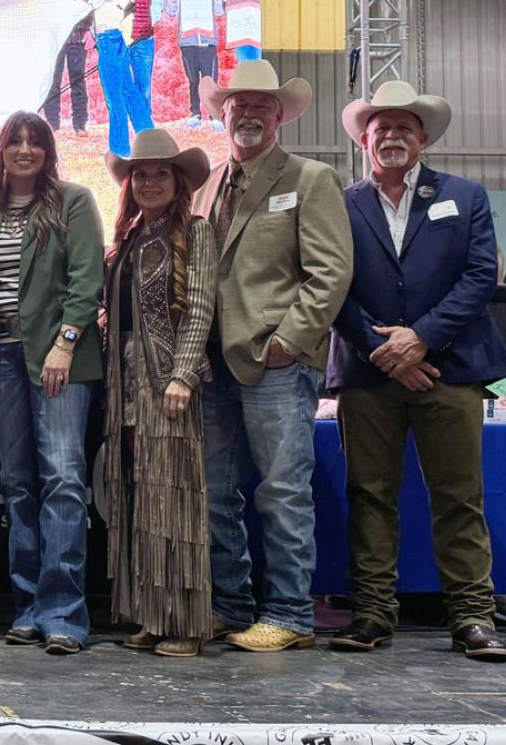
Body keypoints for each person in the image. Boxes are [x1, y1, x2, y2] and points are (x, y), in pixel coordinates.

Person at [326, 81, 506, 661]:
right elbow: (332, 282)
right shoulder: (341, 201)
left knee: (459, 497)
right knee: (369, 497)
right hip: (368, 369)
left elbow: (481, 276)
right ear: (364, 138)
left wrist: (422, 340)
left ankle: (473, 618)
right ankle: (373, 615)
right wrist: (384, 349)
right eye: (381, 127)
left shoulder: (466, 195)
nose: (392, 135)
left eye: (404, 126)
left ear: (424, 137)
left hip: (451, 371)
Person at [192, 59, 352, 652]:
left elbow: (330, 271)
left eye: (262, 105)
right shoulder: (207, 183)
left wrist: (290, 342)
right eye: (239, 105)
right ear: (223, 114)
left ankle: (288, 614)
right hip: (211, 364)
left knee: (282, 491)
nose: (250, 113)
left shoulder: (310, 179)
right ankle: (231, 607)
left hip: (277, 365)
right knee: (217, 491)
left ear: (280, 115)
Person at [0, 112, 105, 655]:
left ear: (48, 151)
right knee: (19, 481)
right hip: (0, 359)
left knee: (64, 479)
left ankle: (65, 613)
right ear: (2, 150)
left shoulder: (73, 201)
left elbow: (86, 278)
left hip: (58, 359)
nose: (24, 150)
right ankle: (27, 607)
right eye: (15, 141)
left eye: (35, 142)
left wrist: (65, 343)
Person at [101, 129, 217, 658]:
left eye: (159, 173)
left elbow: (199, 307)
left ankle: (187, 624)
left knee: (174, 498)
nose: (148, 181)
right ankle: (151, 613)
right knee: (137, 495)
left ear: (178, 181)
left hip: (166, 382)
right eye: (140, 174)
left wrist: (183, 374)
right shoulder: (129, 239)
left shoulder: (196, 232)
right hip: (124, 381)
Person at [95, 0, 156, 157]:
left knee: (115, 97)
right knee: (129, 91)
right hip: (115, 39)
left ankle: (120, 148)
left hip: (109, 39)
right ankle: (149, 138)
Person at [35, 0, 94, 134]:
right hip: (52, 37)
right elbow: (37, 5)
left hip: (78, 34)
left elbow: (90, 1)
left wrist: (89, 30)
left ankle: (79, 125)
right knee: (53, 79)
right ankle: (53, 125)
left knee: (78, 79)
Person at [168, 0, 225, 124]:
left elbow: (219, 13)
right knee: (193, 80)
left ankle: (214, 114)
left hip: (208, 38)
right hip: (187, 39)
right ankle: (195, 113)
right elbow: (170, 11)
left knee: (210, 79)